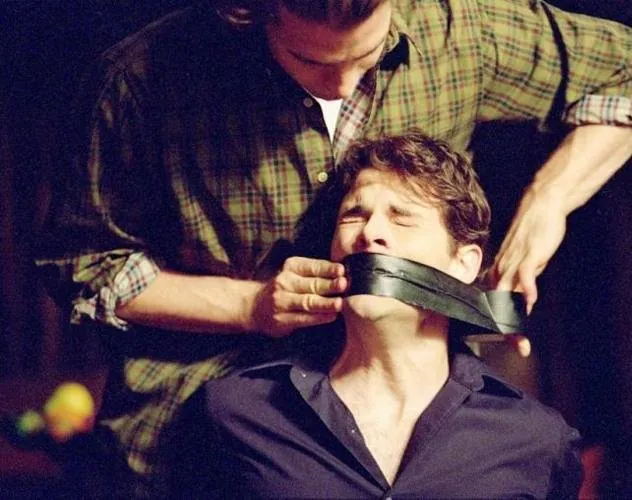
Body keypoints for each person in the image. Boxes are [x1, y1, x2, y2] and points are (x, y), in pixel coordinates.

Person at [34, 0, 629, 494]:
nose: (342, 86)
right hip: (175, 446)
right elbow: (80, 263)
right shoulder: (143, 79)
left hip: (424, 437)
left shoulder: (461, 31)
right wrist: (249, 305)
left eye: (366, 59)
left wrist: (549, 200)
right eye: (309, 61)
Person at [176, 130, 583, 498]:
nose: (370, 233)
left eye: (402, 218)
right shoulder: (236, 414)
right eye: (353, 216)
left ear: (464, 264)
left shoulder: (535, 441)